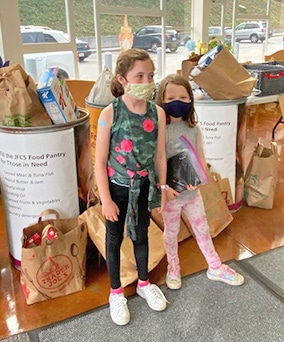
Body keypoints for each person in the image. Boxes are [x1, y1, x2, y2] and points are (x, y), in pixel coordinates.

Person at [95, 48, 168, 326]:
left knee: (141, 235)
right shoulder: (109, 113)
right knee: (114, 239)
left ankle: (144, 282)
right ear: (122, 79)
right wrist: (106, 200)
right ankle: (115, 291)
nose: (147, 80)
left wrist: (161, 189)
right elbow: (99, 160)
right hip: (117, 188)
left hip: (145, 186)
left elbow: (160, 155)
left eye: (150, 75)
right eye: (140, 75)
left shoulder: (158, 113)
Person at [156, 74, 244, 290]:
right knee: (171, 233)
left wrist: (199, 179)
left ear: (191, 100)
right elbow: (156, 161)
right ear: (161, 100)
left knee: (202, 229)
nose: (178, 102)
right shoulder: (160, 130)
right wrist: (163, 189)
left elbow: (200, 156)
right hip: (170, 196)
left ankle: (214, 266)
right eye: (171, 98)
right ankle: (173, 267)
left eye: (183, 97)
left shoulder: (193, 128)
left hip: (192, 193)